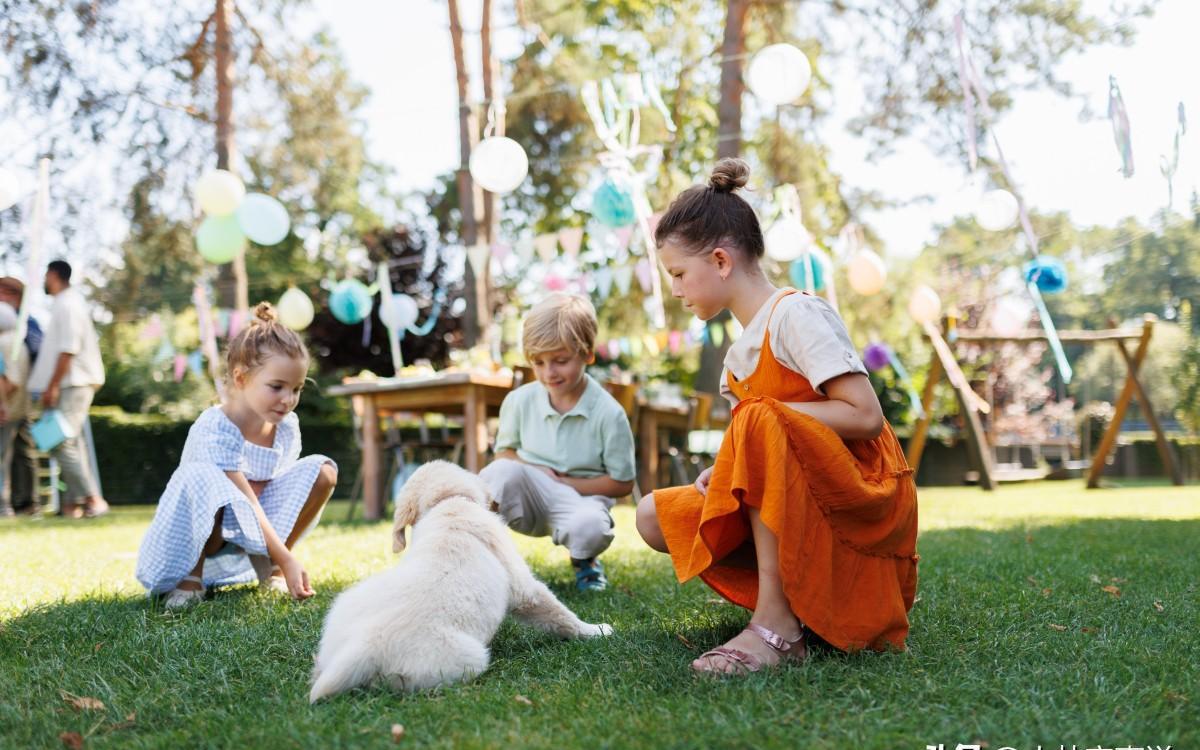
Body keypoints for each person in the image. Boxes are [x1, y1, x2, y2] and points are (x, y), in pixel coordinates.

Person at [635, 159, 919, 675]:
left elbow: (865, 416)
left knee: (757, 420)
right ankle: (802, 596)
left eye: (678, 274)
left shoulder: (796, 313)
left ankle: (779, 626)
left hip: (858, 493)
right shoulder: (737, 358)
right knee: (655, 516)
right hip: (799, 494)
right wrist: (732, 462)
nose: (675, 290)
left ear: (720, 261)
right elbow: (765, 441)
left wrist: (760, 426)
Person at [135, 302, 338, 609]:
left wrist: (279, 551)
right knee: (204, 475)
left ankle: (271, 566)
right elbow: (243, 498)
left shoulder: (285, 427)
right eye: (277, 387)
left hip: (252, 523)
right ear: (241, 378)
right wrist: (289, 558)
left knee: (324, 471)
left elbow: (274, 488)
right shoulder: (215, 426)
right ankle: (191, 576)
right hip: (209, 531)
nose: (288, 400)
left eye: (296, 389)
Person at [480, 293, 636, 592]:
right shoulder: (519, 400)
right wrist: (538, 471)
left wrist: (564, 482)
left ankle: (584, 560)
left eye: (561, 361)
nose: (548, 373)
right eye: (538, 362)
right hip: (532, 491)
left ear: (587, 354)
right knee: (496, 474)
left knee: (590, 526)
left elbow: (623, 483)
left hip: (581, 498)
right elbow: (504, 454)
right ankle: (484, 557)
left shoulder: (609, 414)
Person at [26, 261, 108, 518]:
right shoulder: (65, 303)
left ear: (53, 275)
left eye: (46, 275)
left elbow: (68, 349)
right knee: (72, 443)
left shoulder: (68, 304)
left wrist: (51, 386)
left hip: (73, 382)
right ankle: (73, 505)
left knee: (60, 442)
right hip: (70, 382)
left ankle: (93, 499)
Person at [0, 299, 31, 518]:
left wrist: (1, 404)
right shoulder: (21, 343)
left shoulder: (3, 343)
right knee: (20, 455)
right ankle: (28, 502)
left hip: (7, 409)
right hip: (21, 409)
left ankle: (3, 506)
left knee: (2, 458)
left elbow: (7, 381)